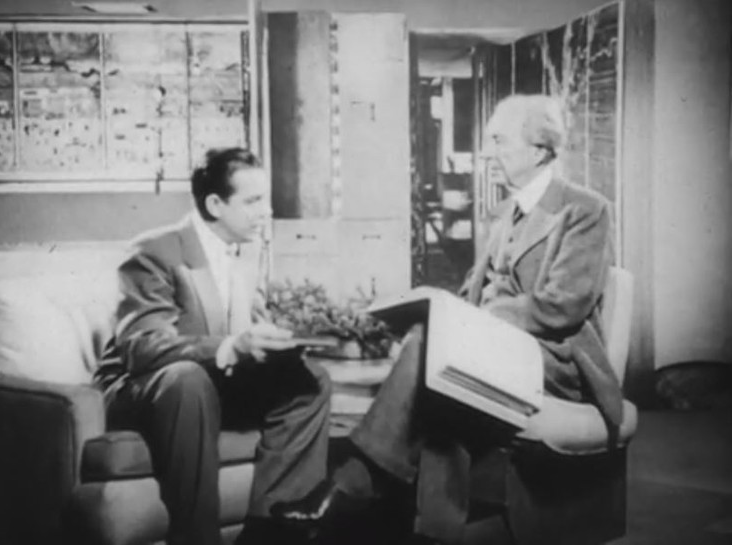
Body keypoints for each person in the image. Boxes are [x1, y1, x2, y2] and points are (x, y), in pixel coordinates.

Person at [272, 94, 624, 544]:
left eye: (499, 141)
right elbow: (472, 290)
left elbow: (563, 306)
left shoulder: (584, 209)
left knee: (429, 347)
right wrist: (439, 308)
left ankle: (353, 486)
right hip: (498, 352)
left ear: (539, 151)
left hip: (552, 361)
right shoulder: (505, 211)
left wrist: (479, 319)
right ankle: (432, 531)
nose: (487, 152)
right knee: (440, 384)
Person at [101, 148, 331, 545]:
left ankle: (272, 530)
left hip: (211, 382)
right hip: (148, 390)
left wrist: (271, 343)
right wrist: (232, 346)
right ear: (214, 205)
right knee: (188, 380)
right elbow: (143, 347)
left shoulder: (248, 251)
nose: (266, 211)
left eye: (265, 199)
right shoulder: (156, 251)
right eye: (253, 201)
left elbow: (244, 327)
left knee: (309, 381)